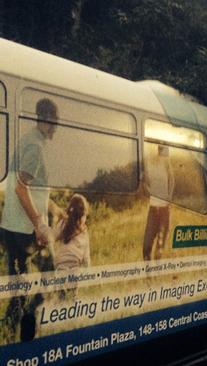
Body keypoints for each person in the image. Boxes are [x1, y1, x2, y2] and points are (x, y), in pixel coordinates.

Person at [0, 98, 64, 341]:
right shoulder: (35, 147)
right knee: (50, 274)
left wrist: (55, 207)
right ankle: (28, 329)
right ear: (47, 119)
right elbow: (20, 187)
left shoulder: (26, 140)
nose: (56, 128)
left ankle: (10, 336)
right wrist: (40, 223)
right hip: (26, 229)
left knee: (18, 287)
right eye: (55, 122)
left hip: (11, 226)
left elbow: (33, 189)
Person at [143, 145, 174, 261]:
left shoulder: (165, 161)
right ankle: (147, 275)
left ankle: (156, 274)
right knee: (146, 245)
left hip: (165, 209)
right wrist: (148, 190)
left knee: (160, 247)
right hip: (153, 209)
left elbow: (172, 180)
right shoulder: (147, 163)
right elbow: (145, 185)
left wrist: (169, 196)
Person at [53, 194, 91, 271]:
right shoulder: (83, 230)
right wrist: (88, 270)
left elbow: (53, 236)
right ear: (83, 215)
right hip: (75, 265)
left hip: (61, 264)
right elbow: (86, 256)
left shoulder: (63, 223)